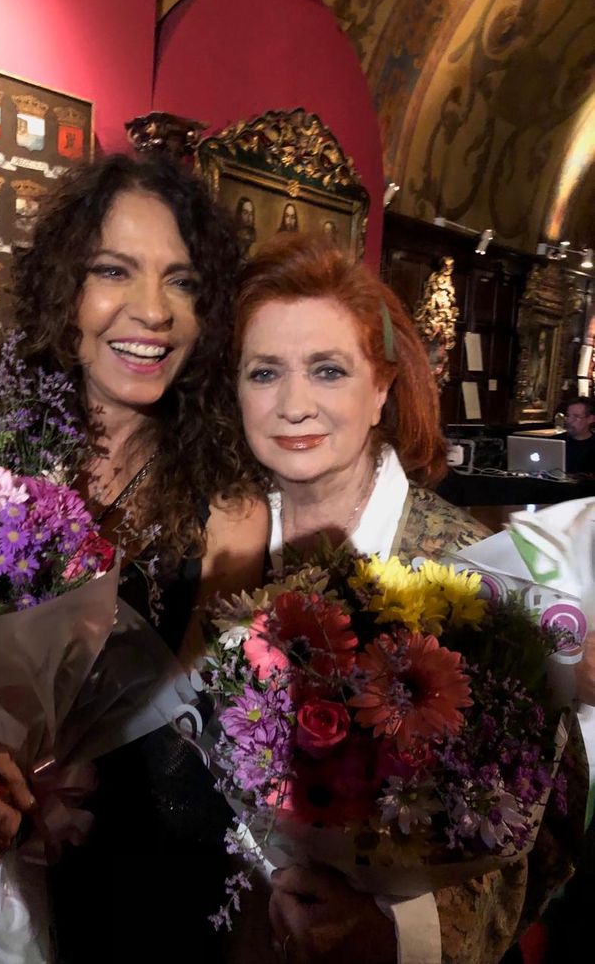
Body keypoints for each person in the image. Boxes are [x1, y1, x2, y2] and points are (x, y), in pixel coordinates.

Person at [0, 153, 268, 961]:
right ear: (65, 288)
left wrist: (59, 781)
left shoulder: (229, 505)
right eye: (113, 270)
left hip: (115, 884)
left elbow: (188, 750)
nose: (152, 310)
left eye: (183, 281)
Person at [232, 234, 587, 964]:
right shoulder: (214, 547)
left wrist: (398, 934)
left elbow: (541, 841)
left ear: (381, 389)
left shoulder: (474, 574)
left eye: (328, 370)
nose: (293, 404)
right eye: (265, 372)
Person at [558, 397, 595, 475]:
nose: (569, 421)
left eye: (576, 416)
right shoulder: (555, 441)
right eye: (568, 415)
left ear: (590, 419)